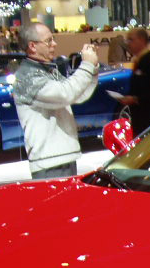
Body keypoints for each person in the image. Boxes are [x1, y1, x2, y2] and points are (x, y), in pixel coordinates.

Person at [12, 22, 99, 179]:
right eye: (49, 40)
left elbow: (78, 95)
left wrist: (92, 68)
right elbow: (66, 94)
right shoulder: (27, 77)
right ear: (32, 46)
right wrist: (86, 65)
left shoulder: (47, 70)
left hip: (62, 157)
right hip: (49, 163)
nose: (54, 44)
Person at [117, 28, 150, 136]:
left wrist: (136, 99)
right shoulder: (138, 61)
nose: (128, 44)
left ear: (141, 40)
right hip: (140, 121)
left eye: (131, 40)